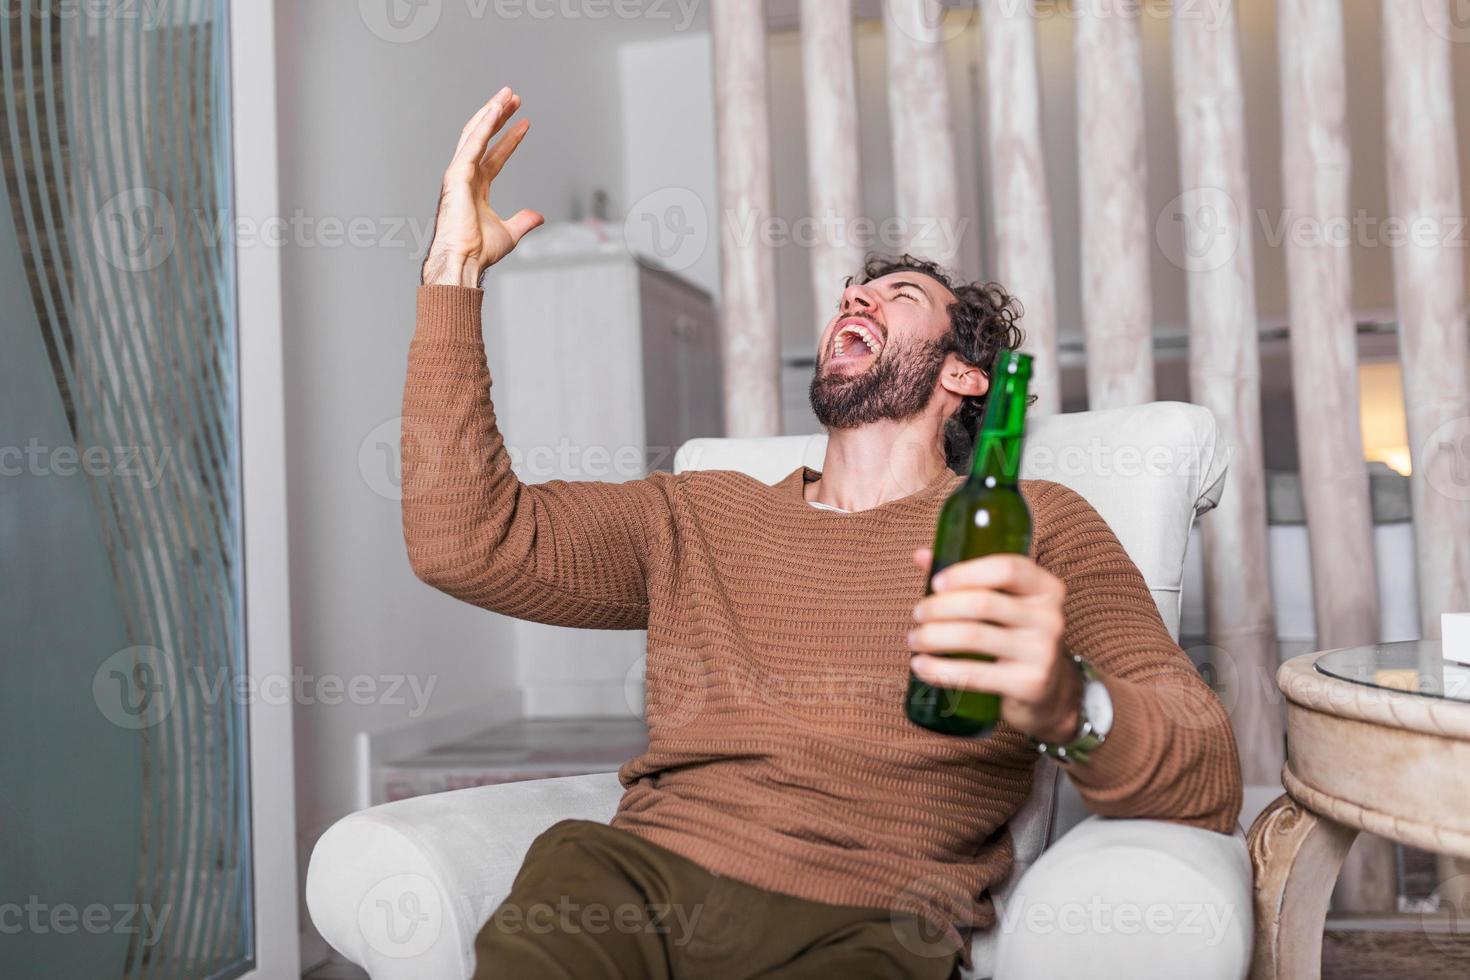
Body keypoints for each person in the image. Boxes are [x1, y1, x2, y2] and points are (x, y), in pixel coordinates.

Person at [405, 87, 1242, 980]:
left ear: (964, 374)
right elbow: (466, 542)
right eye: (852, 290)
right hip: (634, 884)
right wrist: (452, 273)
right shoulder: (698, 511)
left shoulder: (1035, 529)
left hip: (872, 921)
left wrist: (1071, 703)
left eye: (899, 293)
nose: (856, 297)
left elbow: (1208, 768)